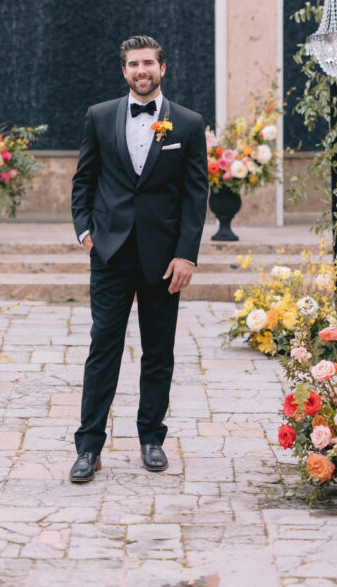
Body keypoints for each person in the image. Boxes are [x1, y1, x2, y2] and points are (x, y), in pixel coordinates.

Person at [69, 35, 208, 482]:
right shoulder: (99, 115)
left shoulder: (187, 124)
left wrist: (186, 255)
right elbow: (84, 180)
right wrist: (86, 232)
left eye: (148, 62)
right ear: (124, 70)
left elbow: (194, 195)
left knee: (158, 352)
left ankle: (152, 439)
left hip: (164, 259)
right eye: (133, 64)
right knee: (102, 350)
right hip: (109, 254)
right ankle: (88, 447)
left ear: (162, 68)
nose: (141, 70)